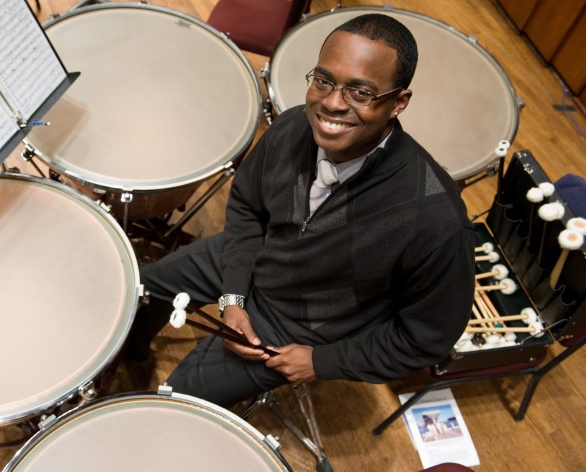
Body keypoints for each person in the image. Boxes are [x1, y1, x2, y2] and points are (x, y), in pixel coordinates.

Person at [125, 13, 475, 407]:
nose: (331, 103)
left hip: (305, 320)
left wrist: (322, 361)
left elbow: (427, 336)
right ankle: (131, 357)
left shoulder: (435, 217)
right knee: (143, 290)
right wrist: (234, 295)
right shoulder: (294, 126)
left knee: (178, 400)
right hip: (257, 255)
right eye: (324, 80)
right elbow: (246, 205)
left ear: (398, 103)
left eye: (360, 92)